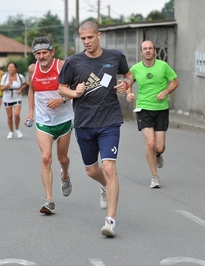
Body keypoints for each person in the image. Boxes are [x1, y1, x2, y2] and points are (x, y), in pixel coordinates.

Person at [58, 21, 134, 237]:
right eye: (83, 38)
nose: (87, 41)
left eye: (90, 37)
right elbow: (61, 88)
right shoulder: (73, 62)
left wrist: (126, 84)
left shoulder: (115, 56)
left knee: (109, 168)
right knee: (92, 171)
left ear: (98, 35)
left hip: (109, 121)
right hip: (84, 123)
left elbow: (128, 75)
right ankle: (104, 186)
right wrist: (75, 93)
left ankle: (110, 222)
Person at [24, 36, 74, 215]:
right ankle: (49, 200)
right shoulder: (32, 68)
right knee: (46, 158)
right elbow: (31, 89)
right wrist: (31, 112)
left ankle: (65, 174)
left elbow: (77, 91)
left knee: (62, 158)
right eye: (38, 53)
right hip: (44, 121)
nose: (41, 56)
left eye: (45, 52)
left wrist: (61, 99)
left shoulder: (62, 66)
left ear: (52, 52)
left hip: (64, 119)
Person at [126, 40, 179, 188]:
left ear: (154, 51)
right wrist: (129, 94)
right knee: (150, 143)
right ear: (141, 52)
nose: (148, 51)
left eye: (150, 48)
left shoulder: (163, 66)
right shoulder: (135, 69)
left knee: (159, 147)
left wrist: (166, 91)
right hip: (144, 108)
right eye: (145, 49)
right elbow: (127, 84)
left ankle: (157, 154)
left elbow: (175, 82)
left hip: (161, 109)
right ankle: (154, 176)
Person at [0, 62, 27, 139]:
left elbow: (25, 84)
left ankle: (17, 129)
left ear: (16, 69)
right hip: (7, 97)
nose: (11, 68)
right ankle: (11, 131)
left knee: (17, 114)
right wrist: (7, 86)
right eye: (9, 67)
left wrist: (21, 89)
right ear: (7, 69)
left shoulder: (20, 76)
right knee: (9, 116)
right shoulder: (4, 77)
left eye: (12, 67)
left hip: (17, 97)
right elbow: (1, 88)